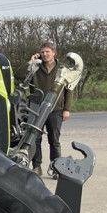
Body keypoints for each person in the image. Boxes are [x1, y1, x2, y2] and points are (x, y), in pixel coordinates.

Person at [29, 41, 73, 176]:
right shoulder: (35, 66)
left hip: (56, 109)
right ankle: (36, 167)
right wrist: (31, 63)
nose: (45, 54)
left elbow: (69, 89)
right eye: (42, 52)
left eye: (48, 51)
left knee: (54, 140)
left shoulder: (63, 68)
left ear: (54, 53)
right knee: (35, 139)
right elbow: (22, 78)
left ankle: (55, 168)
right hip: (37, 108)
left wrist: (67, 109)